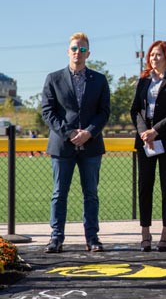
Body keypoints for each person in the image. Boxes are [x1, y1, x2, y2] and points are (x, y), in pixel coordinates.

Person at [41, 32, 110, 253]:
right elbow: (48, 112)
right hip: (62, 145)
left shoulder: (99, 80)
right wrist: (70, 133)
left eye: (81, 49)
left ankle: (92, 238)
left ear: (88, 53)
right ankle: (56, 238)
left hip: (91, 146)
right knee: (59, 193)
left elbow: (104, 112)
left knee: (90, 193)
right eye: (73, 48)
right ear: (67, 51)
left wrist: (89, 132)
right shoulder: (54, 78)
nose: (77, 53)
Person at [130, 40, 166, 252]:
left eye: (159, 55)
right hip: (145, 140)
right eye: (152, 55)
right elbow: (135, 110)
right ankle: (145, 233)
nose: (154, 58)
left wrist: (156, 131)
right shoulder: (143, 80)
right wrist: (145, 132)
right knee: (145, 186)